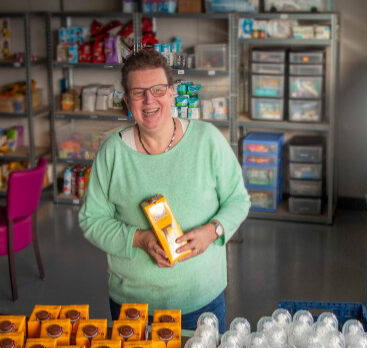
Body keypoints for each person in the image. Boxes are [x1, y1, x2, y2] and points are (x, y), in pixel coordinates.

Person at [79, 48, 250, 333]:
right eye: (139, 92)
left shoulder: (207, 140)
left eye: (158, 89)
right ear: (127, 101)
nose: (149, 100)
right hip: (133, 307)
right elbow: (92, 220)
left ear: (171, 93)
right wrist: (139, 238)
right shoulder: (113, 152)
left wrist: (213, 231)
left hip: (201, 302)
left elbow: (238, 200)